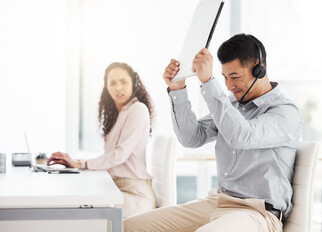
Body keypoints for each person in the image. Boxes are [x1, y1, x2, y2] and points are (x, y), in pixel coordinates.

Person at [124, 34, 303, 232]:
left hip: (257, 213)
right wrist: (178, 89)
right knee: (129, 226)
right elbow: (192, 138)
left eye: (235, 77)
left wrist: (209, 81)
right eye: (225, 78)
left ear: (259, 69)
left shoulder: (285, 112)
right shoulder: (231, 106)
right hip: (219, 201)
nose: (228, 86)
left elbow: (242, 136)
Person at [47, 62, 157, 218]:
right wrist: (76, 163)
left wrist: (81, 164)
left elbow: (119, 155)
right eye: (113, 83)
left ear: (135, 84)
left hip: (135, 192)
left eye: (123, 82)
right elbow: (111, 158)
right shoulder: (118, 116)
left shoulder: (137, 109)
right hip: (115, 188)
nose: (118, 87)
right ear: (107, 87)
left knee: (84, 214)